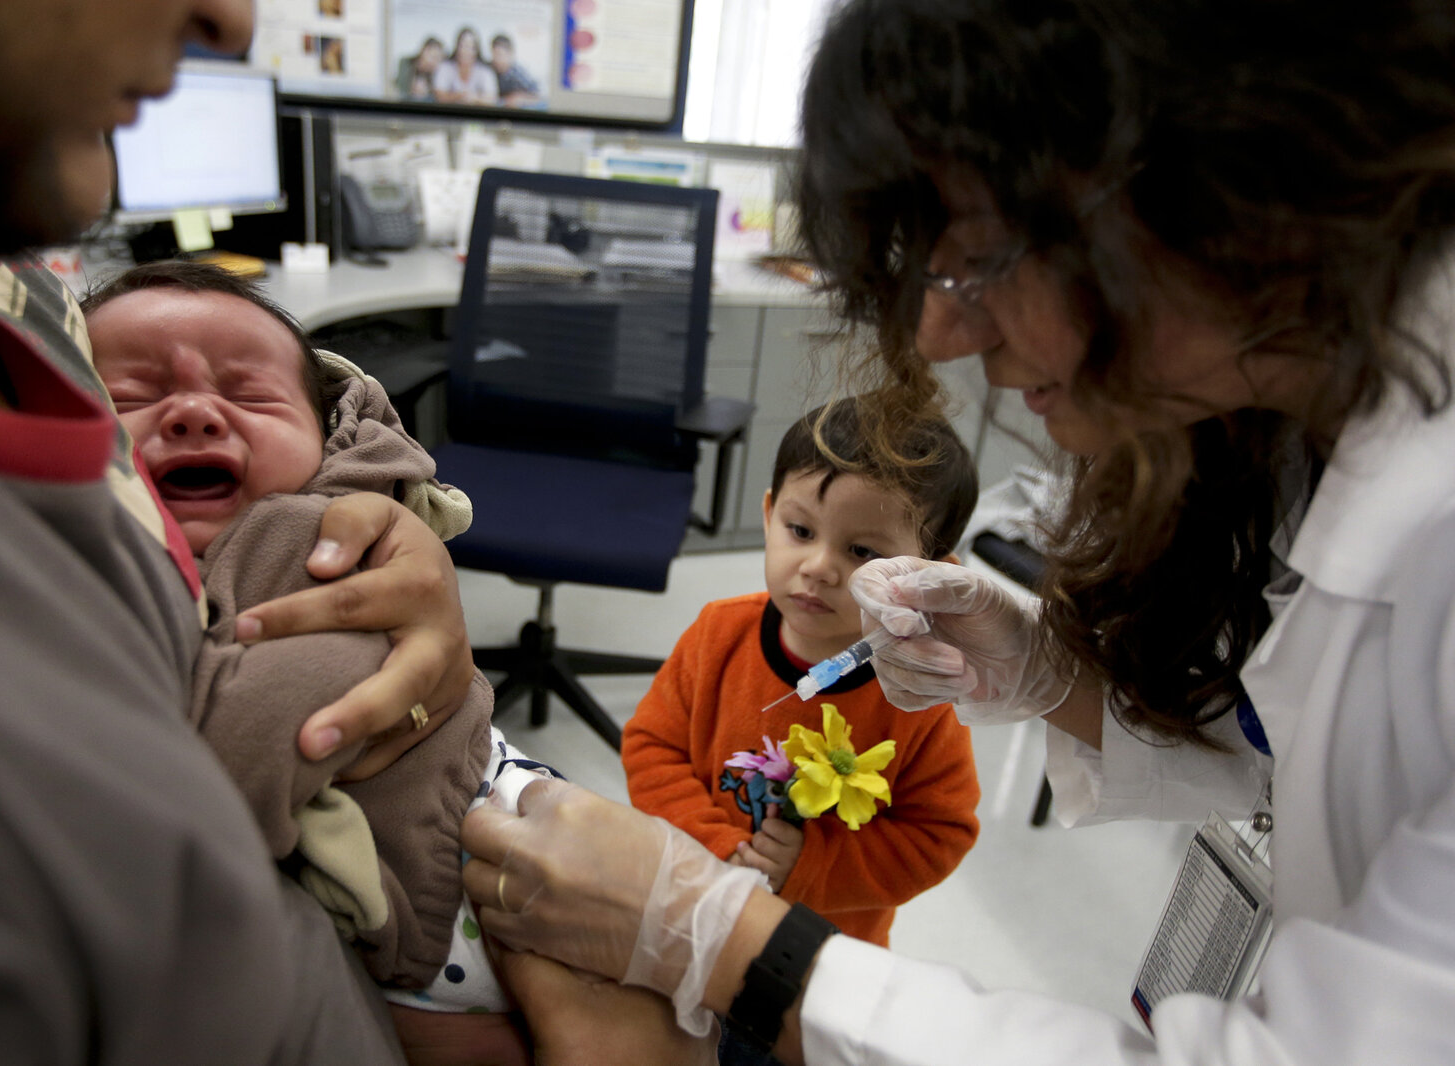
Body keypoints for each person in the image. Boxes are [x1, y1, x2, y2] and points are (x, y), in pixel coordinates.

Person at [458, 1, 1455, 1064]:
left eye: (982, 258)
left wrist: (725, 938)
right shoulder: (1307, 443)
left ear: (1230, 191)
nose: (940, 331)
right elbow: (1300, 760)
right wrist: (1052, 677)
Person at [0, 0, 480, 1060]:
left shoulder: (15, 284)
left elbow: (312, 396)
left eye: (245, 395)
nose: (230, 21)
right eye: (136, 394)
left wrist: (397, 534)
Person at [83, 260, 544, 1065]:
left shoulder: (308, 533)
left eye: (251, 395)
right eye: (128, 397)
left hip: (467, 877)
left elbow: (275, 723)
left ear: (328, 431)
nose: (194, 413)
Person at [621, 394, 980, 945]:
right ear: (769, 515)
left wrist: (811, 864)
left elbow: (938, 835)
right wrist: (719, 846)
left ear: (929, 575)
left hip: (822, 949)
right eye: (801, 531)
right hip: (697, 906)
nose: (817, 568)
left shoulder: (918, 694)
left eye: (861, 551)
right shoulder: (718, 634)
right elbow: (651, 747)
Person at [434, 27, 498, 105]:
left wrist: (474, 98)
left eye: (470, 47)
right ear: (457, 47)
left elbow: (492, 99)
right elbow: (439, 96)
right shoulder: (445, 67)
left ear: (476, 50)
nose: (465, 51)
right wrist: (460, 96)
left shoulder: (485, 71)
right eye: (462, 46)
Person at [490, 34, 540, 107]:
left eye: (500, 54)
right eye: (494, 55)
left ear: (510, 54)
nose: (497, 59)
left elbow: (537, 96)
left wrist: (520, 98)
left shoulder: (519, 74)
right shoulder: (489, 70)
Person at [397, 36, 445, 101]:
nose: (436, 62)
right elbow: (401, 87)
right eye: (434, 57)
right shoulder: (406, 63)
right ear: (424, 51)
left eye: (439, 58)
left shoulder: (437, 72)